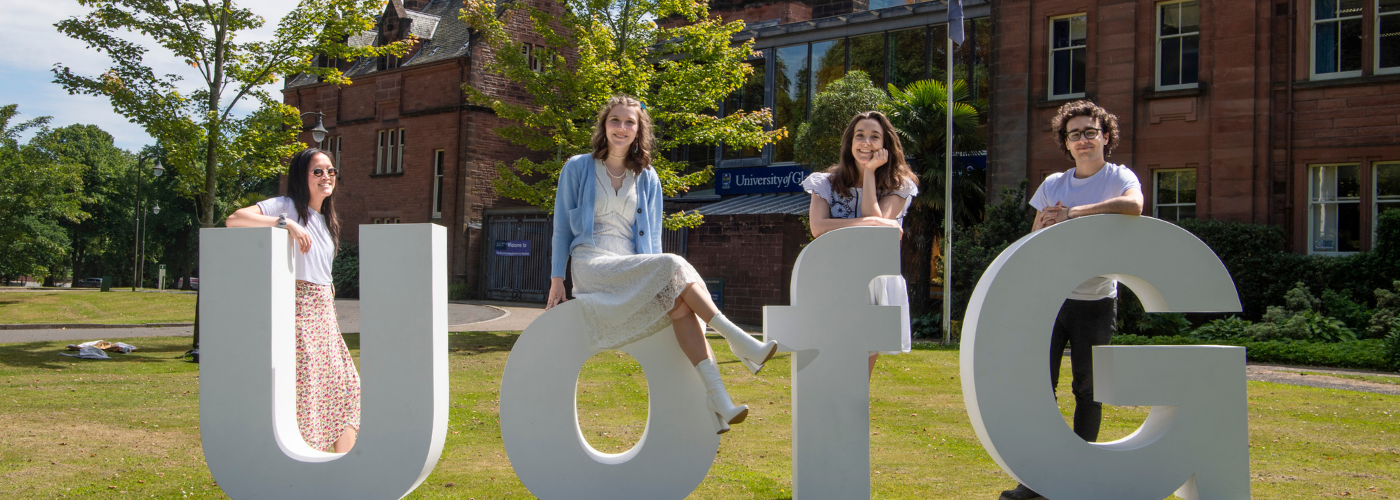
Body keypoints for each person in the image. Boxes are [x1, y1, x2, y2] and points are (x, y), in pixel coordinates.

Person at [548, 95, 779, 434]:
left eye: (630, 122)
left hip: (632, 264)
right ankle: (736, 338)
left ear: (639, 130)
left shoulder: (648, 177)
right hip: (591, 264)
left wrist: (666, 286)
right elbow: (560, 228)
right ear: (604, 125)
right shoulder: (577, 167)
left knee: (681, 304)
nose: (622, 128)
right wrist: (557, 280)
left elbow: (652, 241)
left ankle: (719, 398)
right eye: (615, 120)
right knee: (673, 263)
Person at [997, 100, 1143, 500]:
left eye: (1090, 132)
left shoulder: (1118, 177)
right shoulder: (1053, 184)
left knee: (1087, 389)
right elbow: (1033, 238)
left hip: (1095, 300)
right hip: (1050, 299)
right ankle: (1040, 478)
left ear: (1105, 136)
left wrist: (1074, 214)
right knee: (1040, 388)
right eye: (1074, 134)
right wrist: (1042, 224)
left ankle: (1079, 474)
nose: (1082, 140)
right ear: (1066, 142)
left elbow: (1134, 207)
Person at [226, 147, 360, 454]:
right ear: (302, 176)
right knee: (309, 390)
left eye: (331, 171)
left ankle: (341, 468)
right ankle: (312, 460)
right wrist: (286, 223)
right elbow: (235, 219)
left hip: (324, 312)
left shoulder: (327, 218)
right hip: (301, 311)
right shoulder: (287, 206)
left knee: (345, 387)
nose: (326, 177)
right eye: (318, 171)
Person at [800, 110, 919, 376]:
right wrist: (874, 223)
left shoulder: (900, 185)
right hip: (832, 276)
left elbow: (874, 227)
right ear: (849, 142)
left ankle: (849, 412)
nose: (866, 142)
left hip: (872, 280)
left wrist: (869, 173)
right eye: (860, 135)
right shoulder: (825, 183)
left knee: (858, 369)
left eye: (874, 136)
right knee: (828, 360)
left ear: (885, 145)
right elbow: (818, 227)